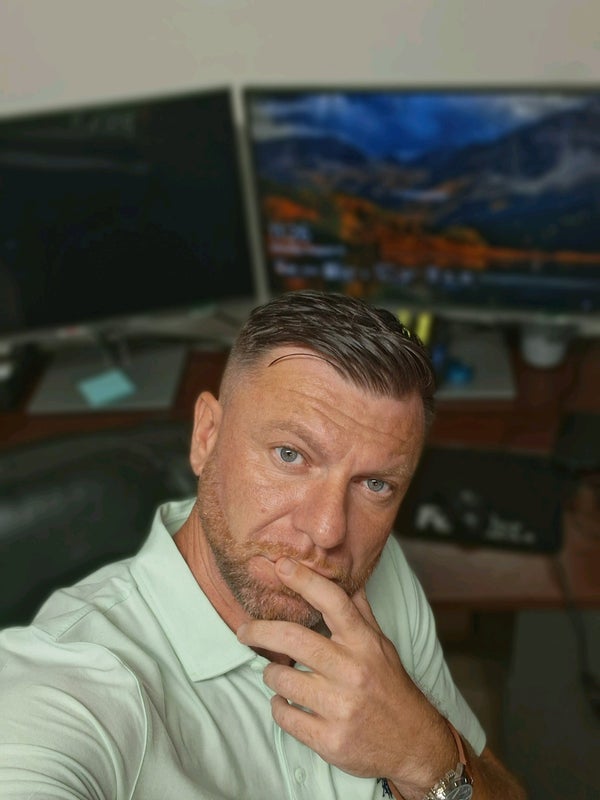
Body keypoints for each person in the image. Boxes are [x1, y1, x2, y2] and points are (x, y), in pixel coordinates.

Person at [0, 290, 526, 799]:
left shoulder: (376, 569)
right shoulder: (78, 683)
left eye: (374, 485)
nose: (327, 531)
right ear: (206, 436)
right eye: (290, 455)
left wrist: (423, 755)